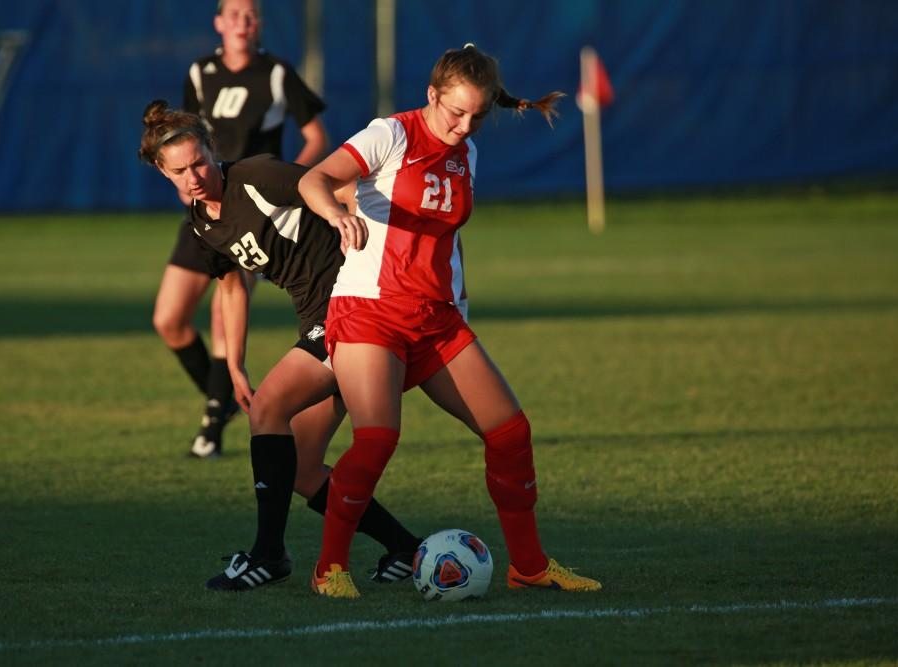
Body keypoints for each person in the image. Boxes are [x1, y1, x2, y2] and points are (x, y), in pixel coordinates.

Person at [298, 44, 603, 598]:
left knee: (511, 433)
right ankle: (330, 568)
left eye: (478, 116)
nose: (464, 126)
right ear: (431, 95)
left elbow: (446, 240)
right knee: (378, 437)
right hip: (370, 310)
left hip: (435, 318)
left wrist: (460, 303)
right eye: (455, 112)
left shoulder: (469, 155)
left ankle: (530, 566)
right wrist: (338, 212)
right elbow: (314, 179)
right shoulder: (390, 134)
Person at [139, 100, 421, 591]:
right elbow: (231, 287)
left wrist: (350, 224)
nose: (195, 177)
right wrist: (235, 366)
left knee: (267, 410)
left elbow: (332, 183)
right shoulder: (202, 224)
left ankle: (268, 555)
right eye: (181, 171)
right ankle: (406, 547)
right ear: (164, 173)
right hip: (316, 318)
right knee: (302, 468)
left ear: (212, 149)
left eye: (200, 162)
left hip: (349, 307)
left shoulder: (256, 176)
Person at [154, 0, 329, 458]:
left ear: (259, 24)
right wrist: (184, 181)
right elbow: (179, 138)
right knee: (169, 320)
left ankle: (211, 426)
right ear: (218, 22)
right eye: (233, 13)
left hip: (251, 207)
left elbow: (317, 136)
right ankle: (224, 398)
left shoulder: (274, 73)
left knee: (223, 307)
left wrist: (295, 188)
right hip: (203, 213)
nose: (242, 21)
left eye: (250, 14)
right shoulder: (201, 72)